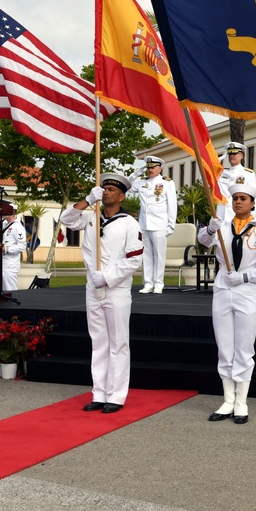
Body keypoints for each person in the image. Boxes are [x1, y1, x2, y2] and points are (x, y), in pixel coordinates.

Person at [60, 173, 144, 413]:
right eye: (103, 188)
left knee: (118, 343)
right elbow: (66, 219)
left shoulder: (129, 223)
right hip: (92, 288)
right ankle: (99, 392)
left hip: (115, 289)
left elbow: (134, 260)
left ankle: (116, 395)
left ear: (122, 196)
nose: (105, 192)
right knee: (98, 342)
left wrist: (107, 277)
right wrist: (87, 200)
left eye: (111, 190)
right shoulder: (90, 218)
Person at [197, 183, 256, 424]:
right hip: (223, 288)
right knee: (224, 346)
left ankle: (241, 401)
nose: (238, 202)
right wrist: (209, 230)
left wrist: (244, 276)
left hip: (247, 291)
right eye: (235, 199)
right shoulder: (222, 227)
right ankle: (227, 400)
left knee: (243, 347)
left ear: (253, 203)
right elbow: (203, 241)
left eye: (243, 198)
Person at [130, 156, 177, 294]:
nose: (150, 170)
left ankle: (158, 283)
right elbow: (125, 187)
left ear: (160, 168)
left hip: (160, 225)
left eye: (153, 167)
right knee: (147, 256)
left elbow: (172, 205)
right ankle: (148, 283)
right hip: (144, 225)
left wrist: (170, 225)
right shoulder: (141, 182)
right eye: (148, 167)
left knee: (159, 256)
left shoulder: (167, 183)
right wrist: (136, 174)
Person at [217, 142, 256, 222]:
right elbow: (202, 181)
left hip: (239, 217)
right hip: (221, 217)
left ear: (241, 156)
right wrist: (217, 160)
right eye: (230, 154)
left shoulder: (248, 174)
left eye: (235, 153)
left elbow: (253, 198)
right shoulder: (221, 173)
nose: (232, 156)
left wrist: (251, 219)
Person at [1, 203, 28, 292]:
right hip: (2, 260)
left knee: (9, 287)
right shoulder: (4, 224)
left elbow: (22, 246)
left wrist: (6, 249)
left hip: (10, 262)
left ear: (12, 212)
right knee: (2, 286)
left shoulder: (18, 227)